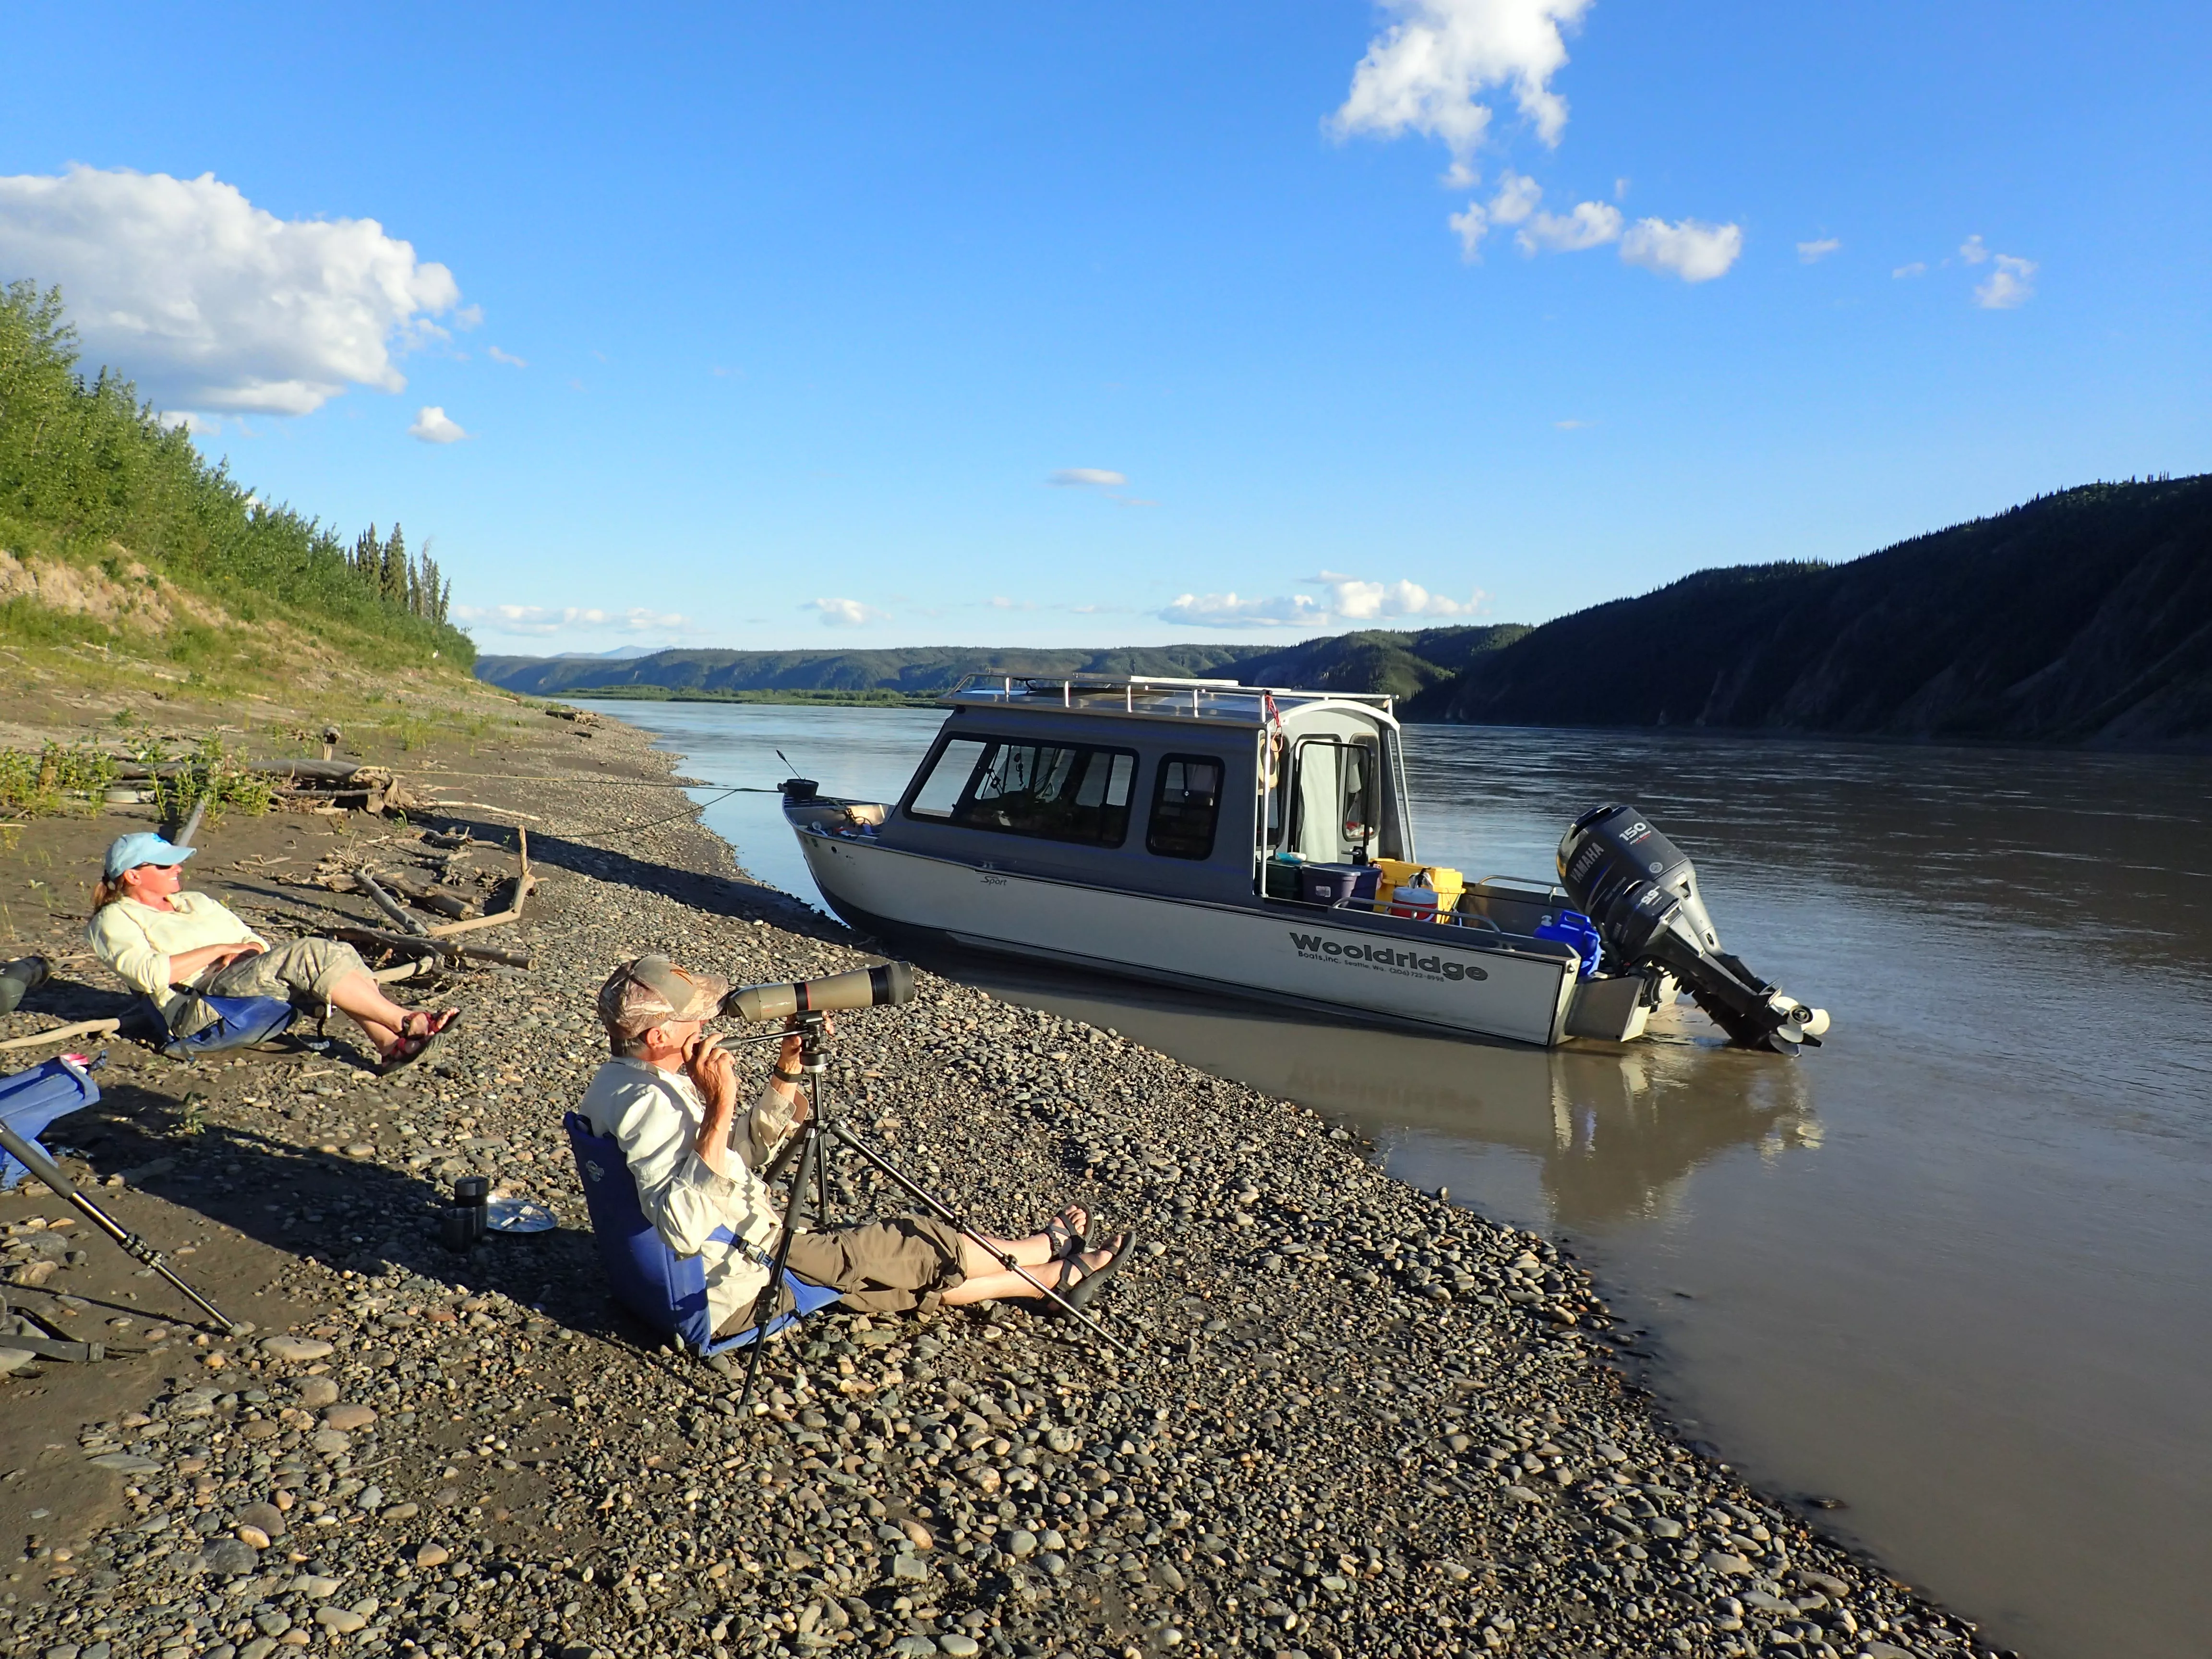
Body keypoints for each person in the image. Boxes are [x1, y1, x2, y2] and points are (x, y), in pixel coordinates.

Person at [579, 954, 1133, 1339]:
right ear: (658, 1037)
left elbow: (732, 1163)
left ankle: (1050, 1285)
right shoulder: (652, 1105)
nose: (709, 1022)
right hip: (736, 1283)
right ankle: (1043, 1246)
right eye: (696, 1017)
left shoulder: (620, 1081)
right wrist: (721, 1104)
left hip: (716, 1266)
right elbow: (681, 1225)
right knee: (916, 1242)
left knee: (885, 1279)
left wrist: (785, 1075)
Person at [86, 831, 458, 1067]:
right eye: (166, 864)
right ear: (133, 875)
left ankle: (389, 1044)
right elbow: (149, 974)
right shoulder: (114, 920)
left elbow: (256, 942)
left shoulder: (194, 901)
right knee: (312, 953)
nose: (178, 868)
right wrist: (220, 949)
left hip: (240, 977)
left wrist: (244, 949)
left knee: (337, 954)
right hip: (199, 1002)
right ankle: (404, 1021)